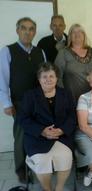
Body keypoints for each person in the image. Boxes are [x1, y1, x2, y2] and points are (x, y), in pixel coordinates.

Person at [0, 17, 45, 183]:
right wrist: (7, 103)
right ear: (17, 30)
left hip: (39, 102)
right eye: (24, 28)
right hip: (19, 103)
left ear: (34, 32)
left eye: (31, 29)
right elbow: (2, 80)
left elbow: (46, 77)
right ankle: (21, 170)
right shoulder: (7, 51)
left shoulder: (40, 52)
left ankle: (37, 167)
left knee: (39, 134)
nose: (28, 32)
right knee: (21, 136)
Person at [18, 62, 76, 191]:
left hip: (61, 137)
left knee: (65, 158)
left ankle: (59, 188)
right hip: (37, 138)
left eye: (51, 76)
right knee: (42, 161)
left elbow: (72, 116)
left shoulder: (65, 93)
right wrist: (42, 131)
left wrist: (61, 130)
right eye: (44, 77)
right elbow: (23, 119)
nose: (48, 79)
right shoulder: (30, 95)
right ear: (39, 79)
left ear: (56, 78)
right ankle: (47, 189)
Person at [55, 23, 92, 104]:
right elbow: (57, 77)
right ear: (69, 36)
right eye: (74, 32)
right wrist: (63, 97)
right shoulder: (63, 53)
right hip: (72, 101)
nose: (77, 34)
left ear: (84, 35)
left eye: (80, 32)